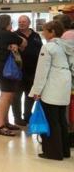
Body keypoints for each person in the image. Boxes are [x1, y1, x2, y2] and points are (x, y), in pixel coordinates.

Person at [29, 21, 73, 160]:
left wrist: (36, 91)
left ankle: (53, 152)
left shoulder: (48, 47)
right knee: (61, 119)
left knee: (51, 120)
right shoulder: (67, 47)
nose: (43, 33)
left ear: (52, 32)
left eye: (45, 30)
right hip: (64, 85)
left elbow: (42, 72)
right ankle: (64, 150)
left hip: (52, 87)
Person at [0, 15, 27, 136]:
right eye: (11, 22)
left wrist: (13, 45)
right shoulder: (7, 34)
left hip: (0, 66)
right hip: (6, 68)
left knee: (7, 95)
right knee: (6, 96)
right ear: (7, 23)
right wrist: (16, 44)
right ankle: (0, 125)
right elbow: (24, 42)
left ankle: (5, 122)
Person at [12, 15, 43, 126]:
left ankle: (27, 116)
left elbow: (41, 50)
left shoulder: (36, 35)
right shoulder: (14, 35)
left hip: (33, 70)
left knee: (29, 95)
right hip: (18, 71)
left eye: (24, 21)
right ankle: (17, 117)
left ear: (29, 23)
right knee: (16, 96)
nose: (21, 23)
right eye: (19, 22)